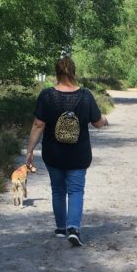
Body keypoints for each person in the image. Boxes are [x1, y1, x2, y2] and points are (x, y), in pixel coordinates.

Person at [25, 56, 108, 247]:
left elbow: (38, 125)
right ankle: (73, 229)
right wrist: (104, 120)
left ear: (57, 73)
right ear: (74, 72)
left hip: (54, 153)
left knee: (58, 190)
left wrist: (30, 150)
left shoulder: (47, 95)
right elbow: (97, 122)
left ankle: (61, 228)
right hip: (79, 154)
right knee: (76, 190)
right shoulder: (86, 95)